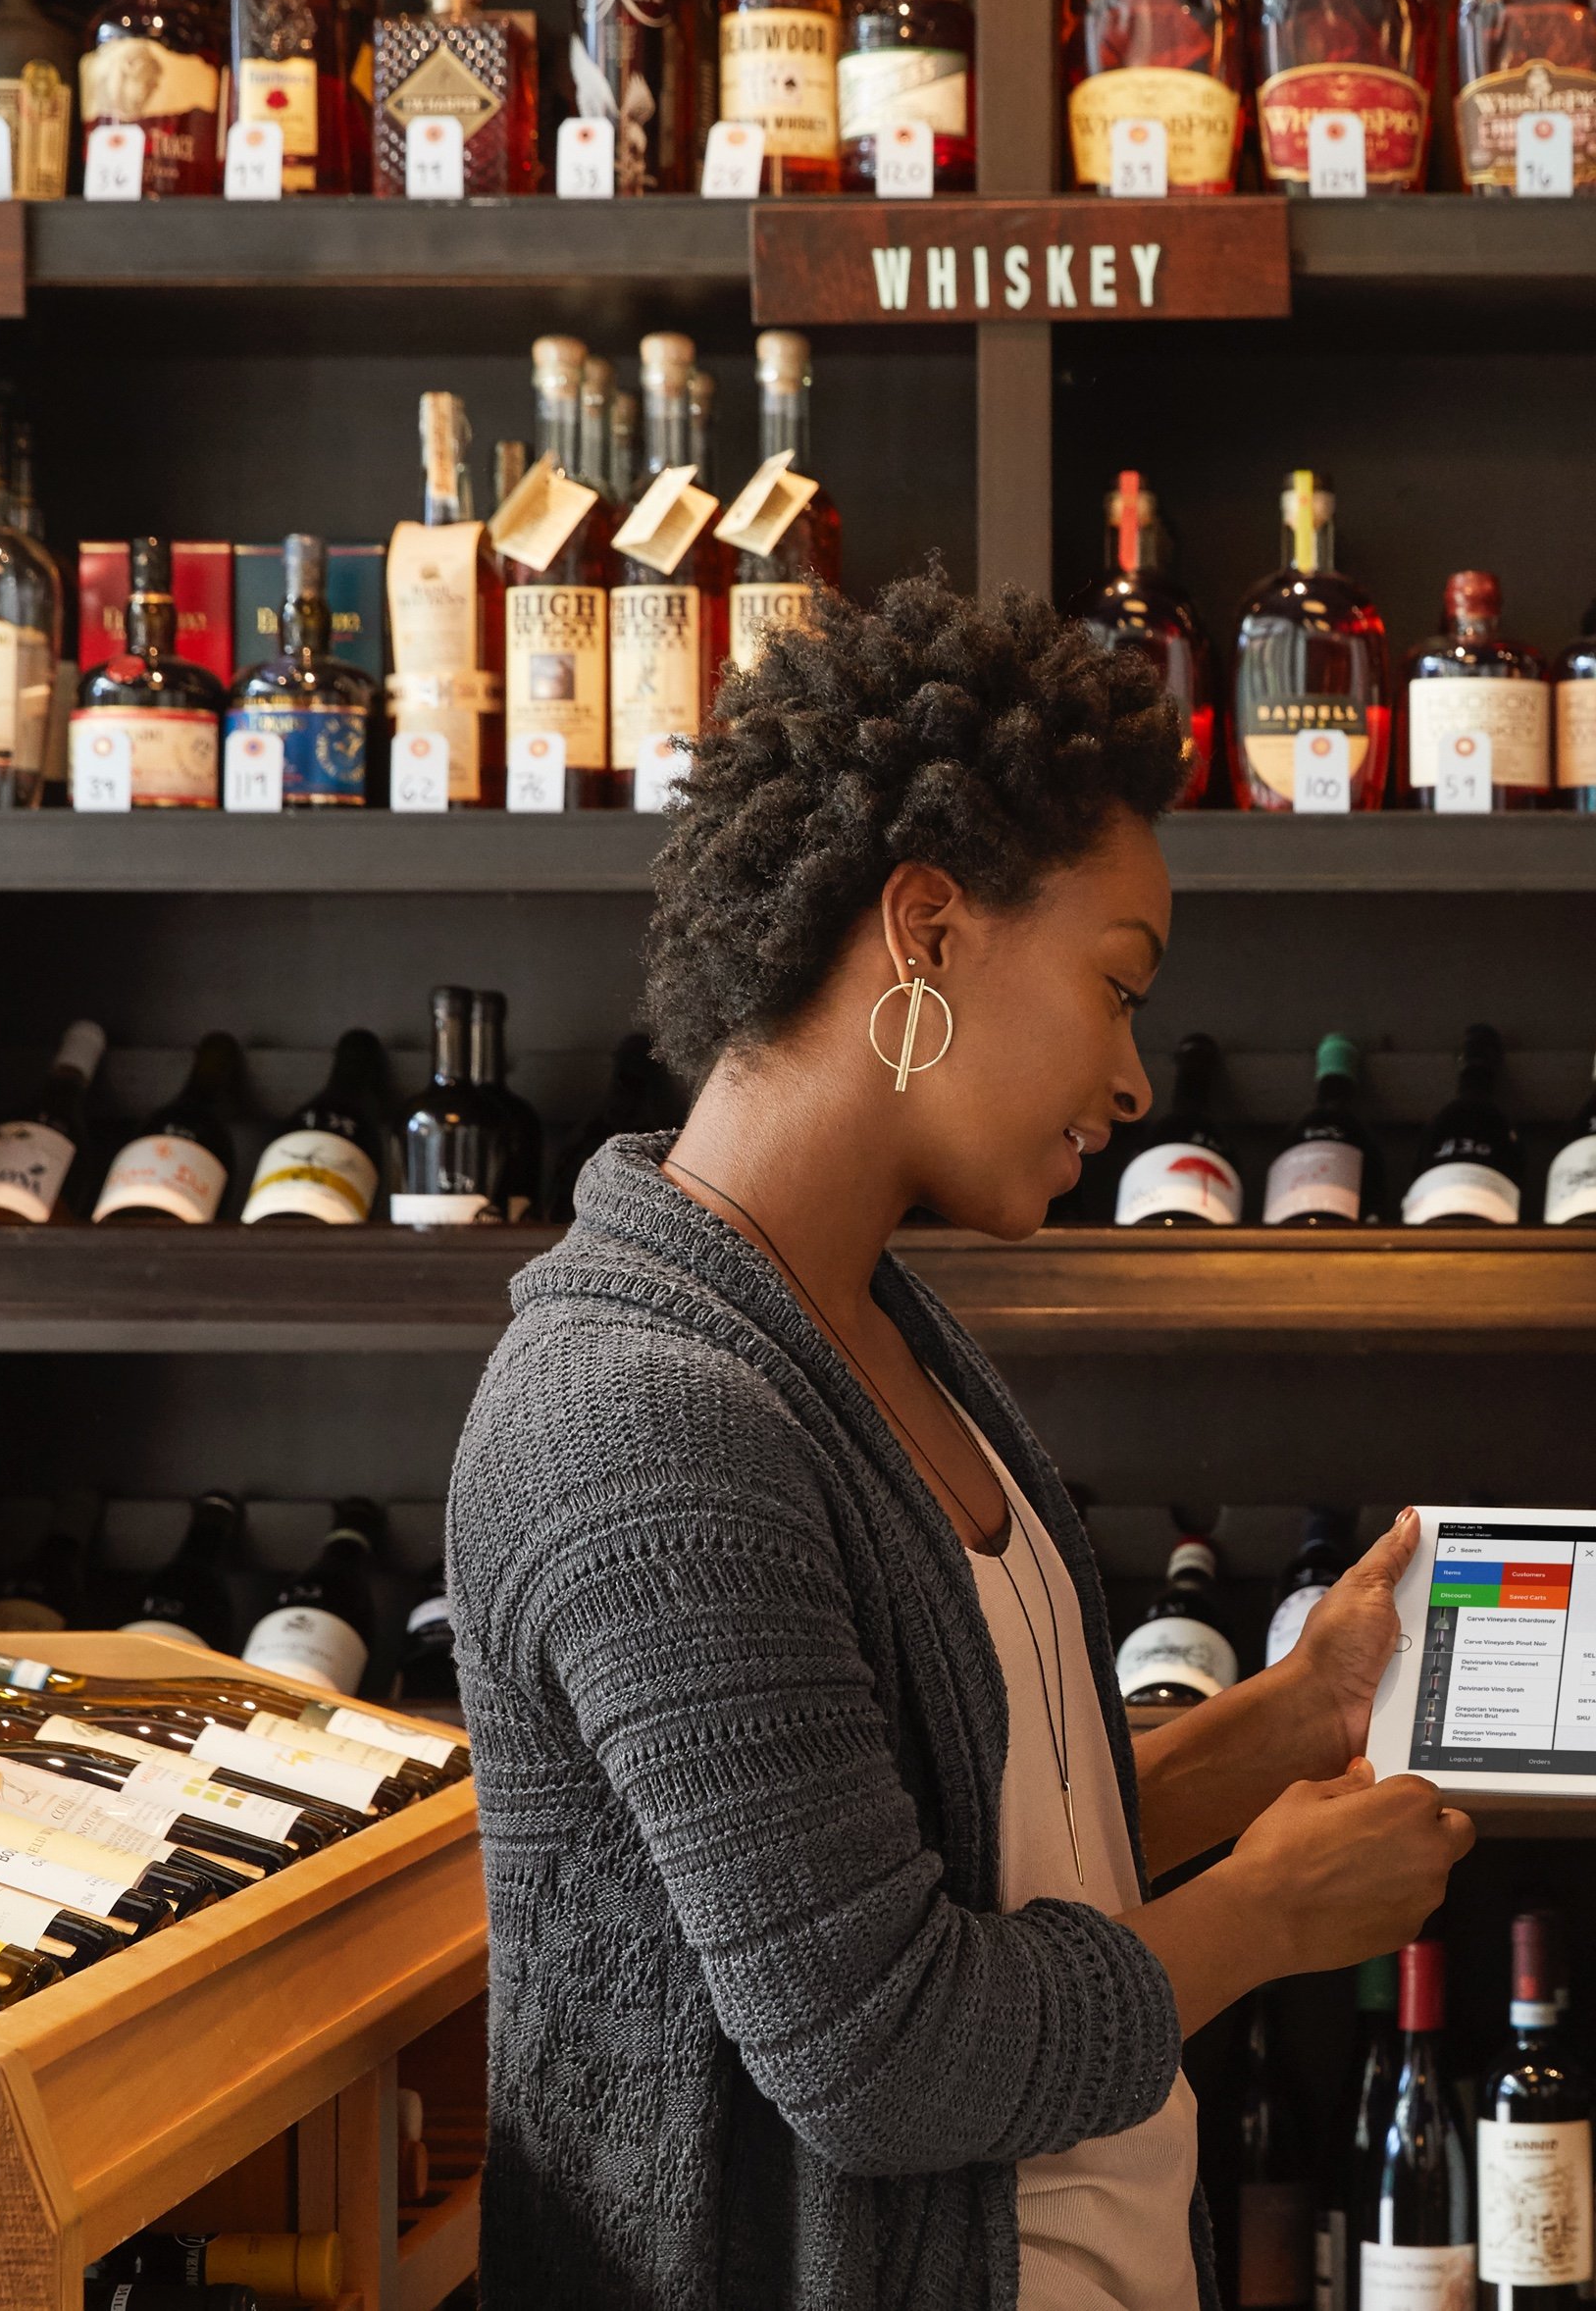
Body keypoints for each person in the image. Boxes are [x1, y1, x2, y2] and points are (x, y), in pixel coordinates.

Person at [444, 574, 1473, 2311]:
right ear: (924, 929)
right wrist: (1267, 1920)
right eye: (1117, 985)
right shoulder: (633, 1425)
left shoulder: (867, 1322)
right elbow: (882, 2048)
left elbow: (972, 1857)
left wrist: (1288, 1722)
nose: (1138, 1078)